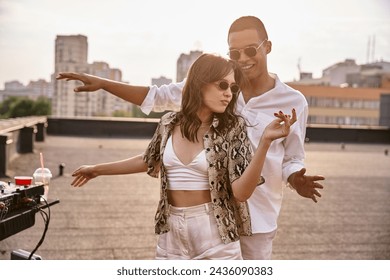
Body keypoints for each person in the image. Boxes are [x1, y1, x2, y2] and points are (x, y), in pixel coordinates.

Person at [57, 16, 325, 260]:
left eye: (251, 50)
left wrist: (295, 178)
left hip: (258, 215)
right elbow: (156, 96)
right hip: (211, 218)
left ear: (267, 47)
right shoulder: (214, 85)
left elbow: (292, 157)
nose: (242, 58)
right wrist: (104, 83)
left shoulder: (293, 102)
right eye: (234, 52)